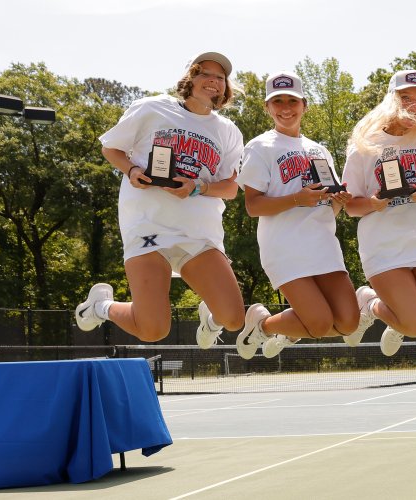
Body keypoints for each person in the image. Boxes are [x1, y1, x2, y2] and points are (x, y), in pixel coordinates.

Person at [77, 52, 247, 349]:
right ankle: (100, 307)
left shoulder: (228, 131)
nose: (213, 81)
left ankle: (210, 317)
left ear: (225, 87)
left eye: (220, 77)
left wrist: (197, 187)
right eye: (205, 73)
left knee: (233, 319)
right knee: (152, 329)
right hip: (148, 225)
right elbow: (111, 149)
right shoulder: (152, 107)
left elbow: (230, 189)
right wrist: (131, 170)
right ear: (190, 78)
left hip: (199, 234)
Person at [236, 71, 368, 360]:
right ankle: (262, 325)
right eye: (278, 101)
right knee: (319, 323)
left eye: (292, 100)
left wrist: (338, 201)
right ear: (267, 107)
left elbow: (327, 207)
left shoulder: (318, 149)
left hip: (323, 245)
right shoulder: (260, 146)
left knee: (349, 323)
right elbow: (253, 206)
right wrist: (298, 198)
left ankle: (286, 327)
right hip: (286, 247)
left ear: (304, 105)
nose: (285, 107)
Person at [343, 69, 416, 357]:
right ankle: (370, 303)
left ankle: (397, 314)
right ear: (391, 99)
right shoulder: (366, 143)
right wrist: (374, 203)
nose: (413, 104)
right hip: (384, 246)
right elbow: (350, 206)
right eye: (406, 97)